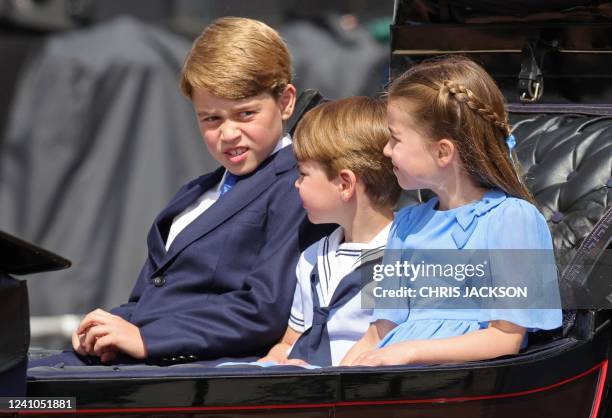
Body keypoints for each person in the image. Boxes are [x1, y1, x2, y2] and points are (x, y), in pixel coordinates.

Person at [30, 17, 329, 367]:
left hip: (202, 369)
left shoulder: (298, 184)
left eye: (245, 114)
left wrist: (148, 339)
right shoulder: (196, 192)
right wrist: (109, 324)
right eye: (211, 119)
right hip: (145, 359)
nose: (228, 133)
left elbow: (264, 309)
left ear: (286, 101)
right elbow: (158, 298)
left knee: (22, 392)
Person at [341, 56, 562, 367]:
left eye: (395, 138)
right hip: (391, 378)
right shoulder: (404, 224)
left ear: (442, 151)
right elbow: (377, 334)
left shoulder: (512, 219)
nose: (386, 150)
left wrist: (412, 351)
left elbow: (506, 337)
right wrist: (332, 381)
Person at [257, 97, 401, 367]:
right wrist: (272, 363)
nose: (296, 184)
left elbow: (383, 346)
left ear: (345, 183)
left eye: (303, 174)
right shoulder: (313, 257)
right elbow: (291, 342)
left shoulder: (400, 259)